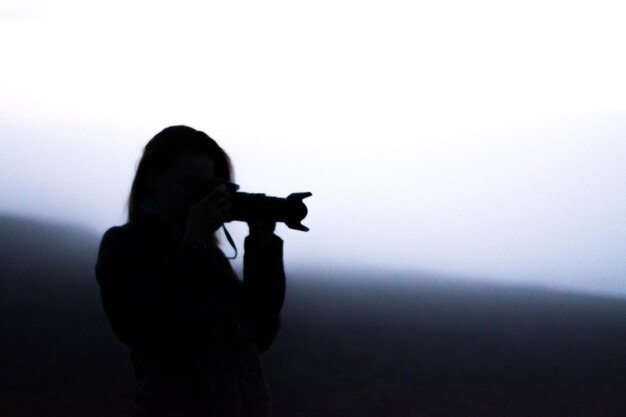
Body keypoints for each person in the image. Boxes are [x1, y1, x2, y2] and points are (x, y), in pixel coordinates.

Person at [95, 126, 285, 416]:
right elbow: (159, 336)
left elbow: (260, 334)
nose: (200, 198)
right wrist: (194, 242)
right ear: (151, 178)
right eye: (190, 185)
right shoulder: (125, 246)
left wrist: (262, 249)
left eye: (210, 188)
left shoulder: (210, 256)